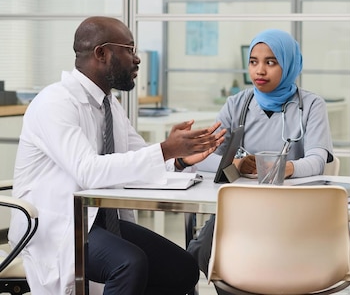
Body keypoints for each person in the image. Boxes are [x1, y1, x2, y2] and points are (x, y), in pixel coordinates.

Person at [8, 16, 226, 295]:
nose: (137, 60)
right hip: (59, 226)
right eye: (130, 49)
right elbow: (88, 171)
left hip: (97, 220)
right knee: (129, 264)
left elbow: (138, 155)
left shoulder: (110, 104)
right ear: (102, 53)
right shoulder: (55, 103)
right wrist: (166, 149)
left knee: (181, 267)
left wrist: (179, 158)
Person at [188, 28, 334, 283]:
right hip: (241, 206)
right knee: (202, 251)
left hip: (291, 210)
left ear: (289, 64)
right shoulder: (237, 104)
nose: (260, 71)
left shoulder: (311, 105)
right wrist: (235, 164)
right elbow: (204, 155)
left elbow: (318, 161)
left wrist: (285, 168)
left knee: (261, 258)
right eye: (253, 62)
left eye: (271, 62)